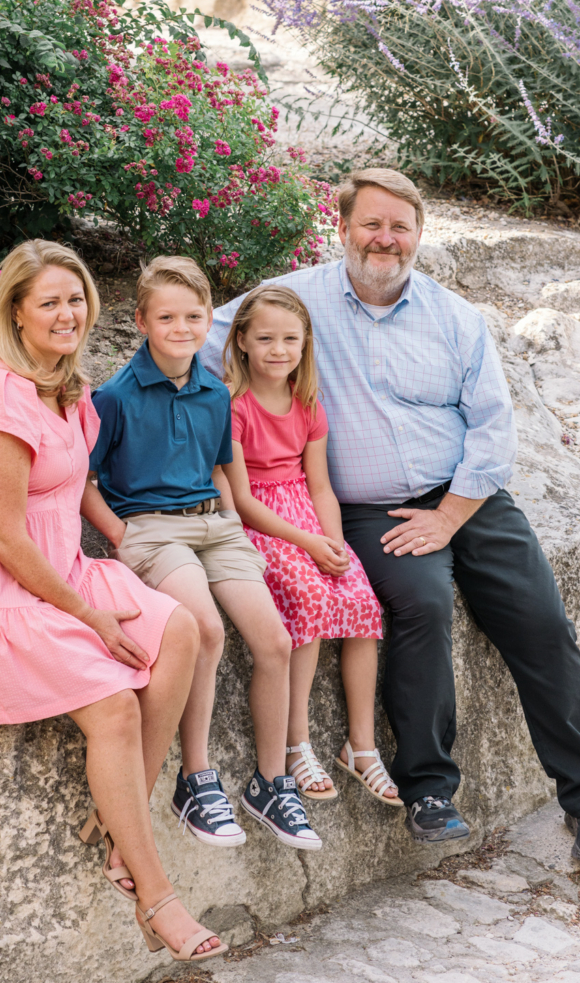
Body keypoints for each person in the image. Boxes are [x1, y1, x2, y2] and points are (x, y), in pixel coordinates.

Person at [203, 168, 580, 866]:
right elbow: (195, 337)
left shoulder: (454, 317)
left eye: (400, 227)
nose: (385, 239)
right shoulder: (294, 302)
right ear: (341, 229)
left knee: (541, 622)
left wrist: (451, 515)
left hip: (467, 497)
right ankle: (429, 792)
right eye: (370, 224)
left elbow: (492, 428)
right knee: (421, 606)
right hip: (367, 508)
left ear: (419, 236)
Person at [0, 239, 226, 965]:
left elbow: (69, 492)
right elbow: (1, 535)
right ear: (16, 314)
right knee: (114, 702)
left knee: (177, 631)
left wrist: (107, 558)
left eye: (75, 298)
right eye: (48, 301)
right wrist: (86, 615)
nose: (66, 312)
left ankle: (122, 828)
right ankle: (154, 892)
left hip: (58, 567)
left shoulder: (68, 389)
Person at [87, 255, 323, 852]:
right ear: (141, 320)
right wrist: (121, 535)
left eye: (195, 316)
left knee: (274, 639)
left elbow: (221, 471)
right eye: (167, 316)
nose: (182, 328)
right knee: (207, 630)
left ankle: (271, 783)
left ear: (208, 320)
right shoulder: (114, 396)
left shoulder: (216, 393)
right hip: (151, 530)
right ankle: (195, 778)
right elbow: (82, 482)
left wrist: (229, 527)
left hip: (213, 526)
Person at [219, 284, 401, 809]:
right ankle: (297, 741)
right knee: (308, 596)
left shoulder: (307, 404)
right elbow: (243, 498)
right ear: (243, 342)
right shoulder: (234, 407)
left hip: (307, 515)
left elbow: (319, 485)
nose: (279, 350)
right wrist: (306, 544)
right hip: (265, 523)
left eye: (290, 340)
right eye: (267, 338)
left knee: (361, 601)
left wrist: (335, 546)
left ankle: (360, 746)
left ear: (305, 345)